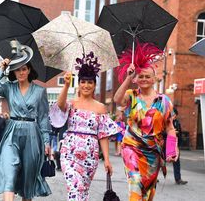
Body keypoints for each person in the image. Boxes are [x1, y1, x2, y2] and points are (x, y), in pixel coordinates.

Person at [49, 51, 120, 201]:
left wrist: (107, 159)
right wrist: (66, 85)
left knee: (83, 192)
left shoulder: (101, 107)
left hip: (90, 155)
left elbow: (103, 135)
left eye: (90, 82)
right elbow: (60, 105)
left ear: (94, 85)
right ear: (79, 83)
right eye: (83, 82)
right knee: (75, 191)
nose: (86, 85)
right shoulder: (72, 103)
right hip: (69, 153)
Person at [114, 43, 178, 200]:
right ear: (136, 79)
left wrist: (171, 150)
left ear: (154, 78)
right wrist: (128, 77)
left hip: (153, 152)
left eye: (147, 76)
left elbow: (170, 128)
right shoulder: (132, 95)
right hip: (132, 148)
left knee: (147, 194)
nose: (144, 79)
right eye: (140, 76)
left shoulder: (164, 101)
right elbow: (117, 100)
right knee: (135, 184)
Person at [0, 58, 51, 201]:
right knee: (9, 175)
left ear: (29, 70)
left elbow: (43, 118)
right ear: (14, 71)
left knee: (27, 184)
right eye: (18, 69)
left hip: (32, 135)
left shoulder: (40, 91)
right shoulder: (9, 87)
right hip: (12, 132)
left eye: (24, 69)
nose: (21, 72)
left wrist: (46, 142)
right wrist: (2, 68)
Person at [171, 108, 188, 185]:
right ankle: (153, 178)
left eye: (175, 115)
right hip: (165, 143)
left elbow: (180, 133)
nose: (174, 116)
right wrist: (170, 132)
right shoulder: (165, 122)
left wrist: (179, 144)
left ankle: (178, 179)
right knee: (160, 162)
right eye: (173, 114)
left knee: (176, 161)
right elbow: (161, 133)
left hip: (174, 143)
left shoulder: (177, 122)